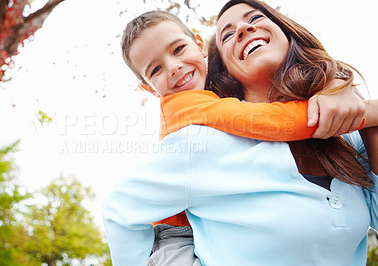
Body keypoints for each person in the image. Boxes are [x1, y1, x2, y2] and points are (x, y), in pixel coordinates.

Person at [103, 3, 378, 266]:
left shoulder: (345, 138)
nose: (244, 29)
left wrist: (353, 105)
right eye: (227, 34)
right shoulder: (196, 138)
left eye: (255, 19)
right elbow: (119, 211)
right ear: (222, 64)